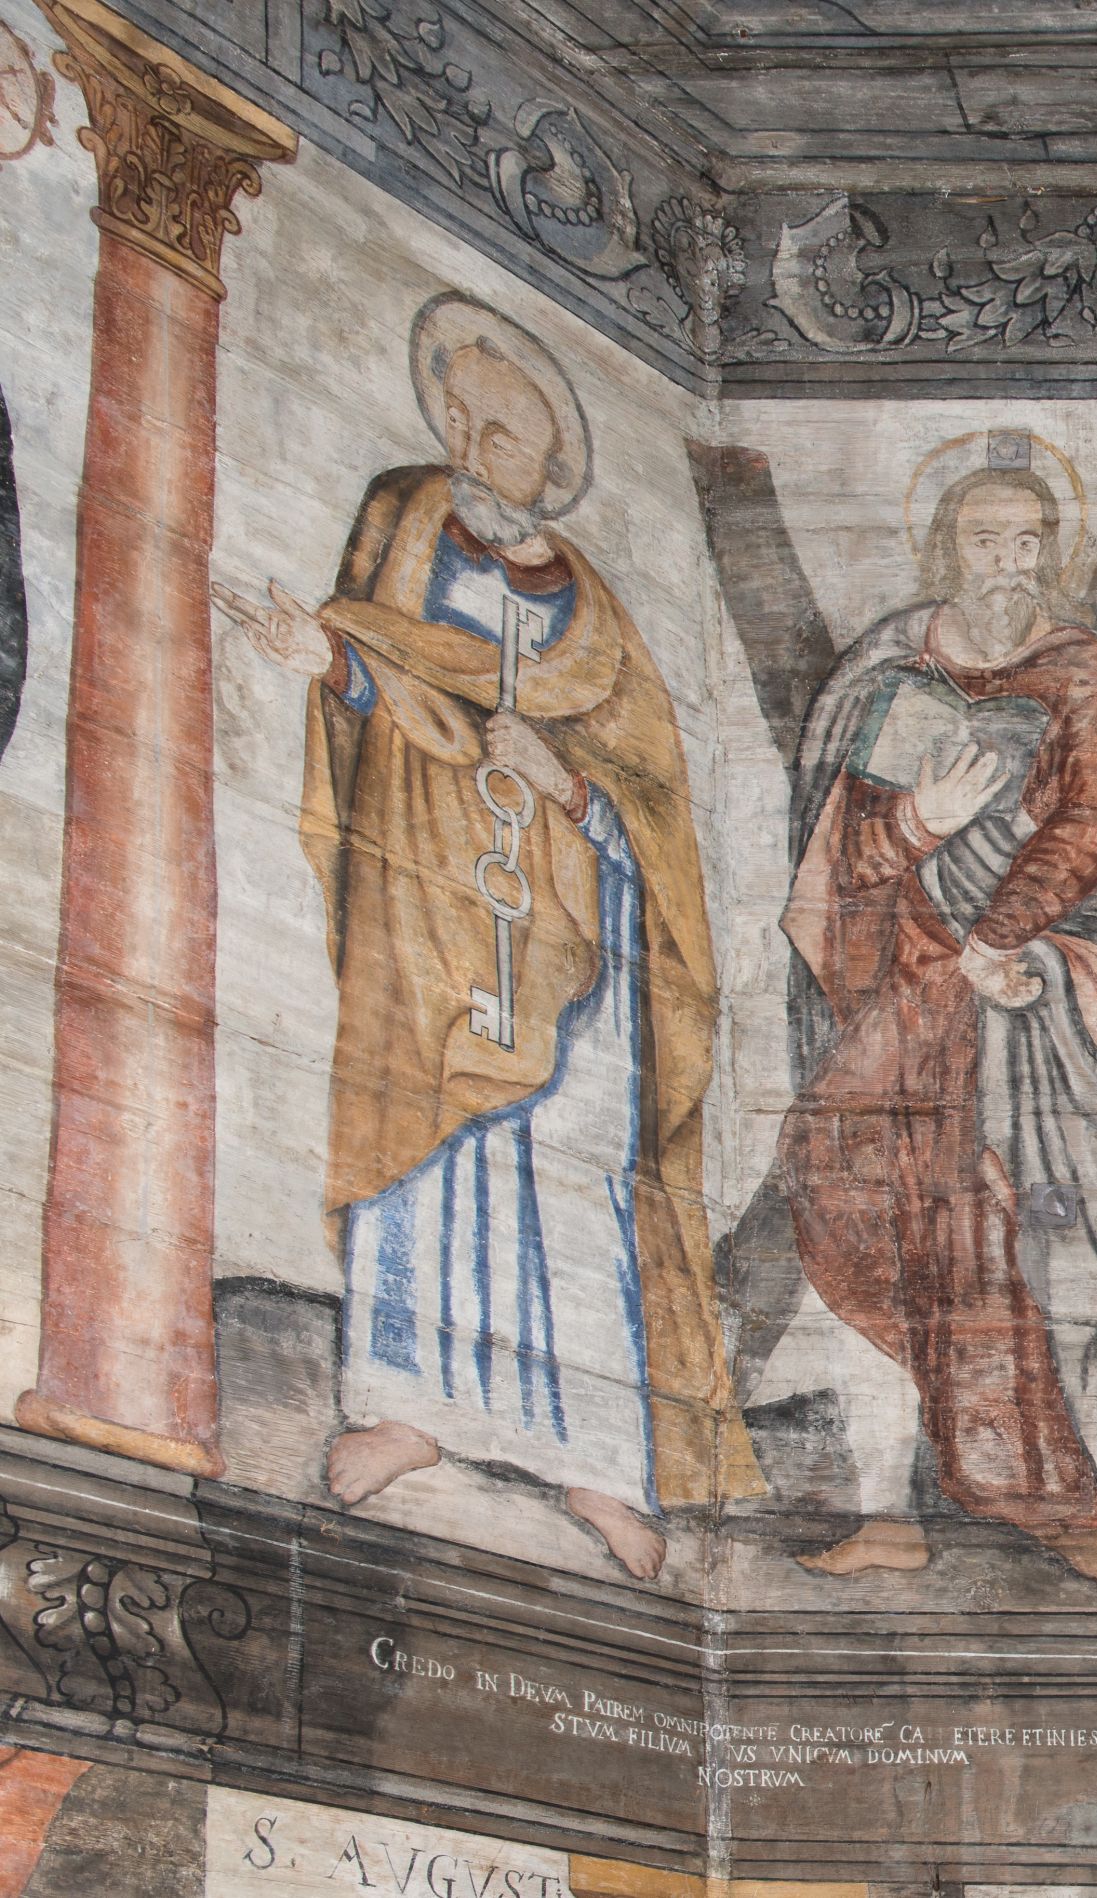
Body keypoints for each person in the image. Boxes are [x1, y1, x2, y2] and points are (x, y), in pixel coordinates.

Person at [218, 294, 747, 1580]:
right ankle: (405, 1407)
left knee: (572, 1172)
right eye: (456, 414)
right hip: (422, 895)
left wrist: (572, 789)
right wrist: (325, 659)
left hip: (570, 934)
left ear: (550, 455)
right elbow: (384, 672)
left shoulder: (599, 618)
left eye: (497, 429)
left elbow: (656, 804)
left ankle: (599, 1464)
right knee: (422, 1146)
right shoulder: (403, 519)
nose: (468, 442)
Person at [771, 461, 1097, 1585]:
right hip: (906, 990)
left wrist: (1003, 937)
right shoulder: (899, 678)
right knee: (854, 1202)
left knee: (996, 1236)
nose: (1007, 563)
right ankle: (887, 1511)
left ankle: (1058, 1503)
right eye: (985, 540)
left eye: (1027, 541)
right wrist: (918, 818)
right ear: (946, 545)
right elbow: (847, 859)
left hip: (1023, 984)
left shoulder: (1082, 671)